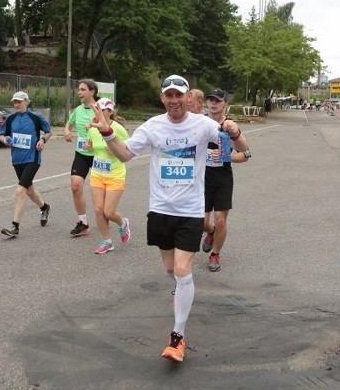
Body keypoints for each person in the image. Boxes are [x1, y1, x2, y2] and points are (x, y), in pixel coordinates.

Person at [88, 74, 248, 363]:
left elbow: (240, 149)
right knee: (170, 268)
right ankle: (180, 287)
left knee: (184, 269)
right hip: (161, 210)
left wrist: (234, 132)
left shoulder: (203, 125)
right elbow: (125, 155)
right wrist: (108, 133)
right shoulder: (153, 126)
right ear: (162, 98)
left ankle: (177, 337)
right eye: (169, 95)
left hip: (189, 210)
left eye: (179, 95)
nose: (174, 100)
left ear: (188, 98)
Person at [201, 88, 251, 272]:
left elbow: (245, 155)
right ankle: (210, 231)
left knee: (220, 220)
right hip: (202, 177)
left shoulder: (229, 127)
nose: (213, 103)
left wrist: (225, 157)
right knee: (201, 222)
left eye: (218, 100)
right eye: (211, 100)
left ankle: (215, 254)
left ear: (225, 104)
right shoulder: (199, 123)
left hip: (222, 177)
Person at [0, 91, 53, 238]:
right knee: (29, 191)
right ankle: (44, 207)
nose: (16, 104)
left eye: (19, 101)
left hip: (32, 159)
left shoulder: (36, 117)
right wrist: (5, 140)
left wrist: (43, 140)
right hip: (17, 160)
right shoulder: (10, 119)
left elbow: (48, 131)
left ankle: (15, 227)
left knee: (20, 191)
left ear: (26, 102)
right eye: (14, 102)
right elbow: (1, 134)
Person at [84, 98, 131, 254]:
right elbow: (93, 149)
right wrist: (88, 147)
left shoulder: (119, 129)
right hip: (97, 173)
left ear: (110, 112)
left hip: (115, 175)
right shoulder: (93, 128)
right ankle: (107, 241)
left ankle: (122, 223)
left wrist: (116, 151)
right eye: (96, 109)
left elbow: (128, 151)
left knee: (109, 212)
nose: (98, 113)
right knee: (98, 210)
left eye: (102, 110)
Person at [63, 79, 99, 237]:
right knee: (76, 186)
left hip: (99, 154)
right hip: (82, 154)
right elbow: (68, 123)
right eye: (78, 90)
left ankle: (107, 214)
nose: (79, 92)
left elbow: (110, 125)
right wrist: (66, 131)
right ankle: (83, 222)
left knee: (100, 192)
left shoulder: (100, 108)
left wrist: (94, 126)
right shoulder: (78, 110)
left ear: (92, 92)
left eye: (83, 89)